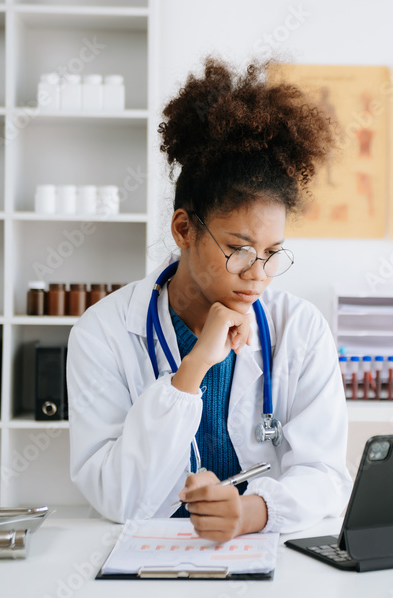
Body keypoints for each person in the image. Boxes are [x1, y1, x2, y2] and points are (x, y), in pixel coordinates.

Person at [67, 57, 353, 543]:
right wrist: (193, 369)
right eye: (239, 250)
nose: (258, 275)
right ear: (184, 230)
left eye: (271, 253)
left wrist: (252, 512)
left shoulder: (299, 330)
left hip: (262, 551)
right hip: (143, 554)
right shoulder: (105, 333)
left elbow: (325, 474)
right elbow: (117, 498)